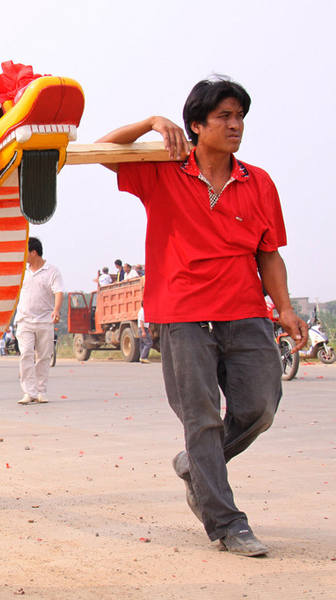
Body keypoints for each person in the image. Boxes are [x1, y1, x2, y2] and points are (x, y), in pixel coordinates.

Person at [96, 76, 308, 557]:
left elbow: (269, 254)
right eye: (224, 117)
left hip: (246, 312)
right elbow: (101, 148)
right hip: (183, 317)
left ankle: (194, 464)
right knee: (203, 419)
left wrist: (287, 309)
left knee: (260, 408)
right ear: (196, 125)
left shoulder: (259, 181)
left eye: (240, 118)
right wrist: (151, 122)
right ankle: (227, 522)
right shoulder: (162, 170)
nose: (235, 126)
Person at [16, 237, 63, 405]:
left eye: (25, 252)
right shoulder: (22, 271)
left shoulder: (52, 271)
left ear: (33, 252)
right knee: (26, 354)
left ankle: (41, 391)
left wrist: (56, 310)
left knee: (43, 357)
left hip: (44, 321)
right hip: (24, 320)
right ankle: (29, 392)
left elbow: (58, 292)